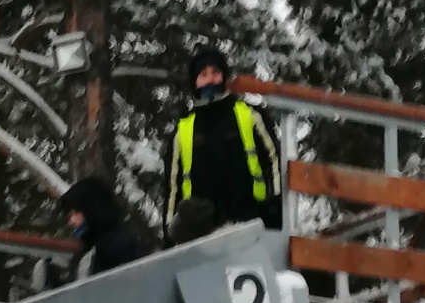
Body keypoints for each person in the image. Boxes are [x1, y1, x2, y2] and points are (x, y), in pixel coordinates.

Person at [164, 43, 282, 244]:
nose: (210, 79)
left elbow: (274, 159)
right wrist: (169, 232)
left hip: (252, 220)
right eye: (203, 74)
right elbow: (173, 186)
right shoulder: (184, 129)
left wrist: (276, 203)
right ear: (194, 82)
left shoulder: (249, 114)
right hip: (202, 233)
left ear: (224, 76)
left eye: (215, 72)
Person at [59, 176, 152, 281]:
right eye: (69, 217)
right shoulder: (81, 257)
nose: (71, 222)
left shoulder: (123, 247)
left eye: (75, 213)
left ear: (92, 209)